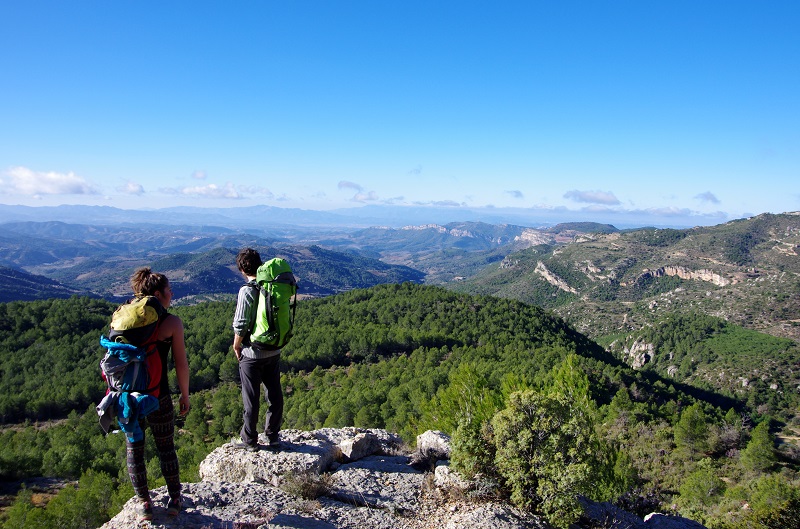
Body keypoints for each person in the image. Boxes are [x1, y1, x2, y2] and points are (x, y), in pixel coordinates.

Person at [126, 267, 190, 521]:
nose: (172, 293)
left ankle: (144, 504)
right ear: (157, 294)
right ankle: (174, 500)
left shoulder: (123, 317)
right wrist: (184, 395)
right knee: (166, 448)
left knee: (134, 449)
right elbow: (181, 364)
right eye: (168, 290)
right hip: (158, 395)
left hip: (127, 397)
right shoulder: (171, 322)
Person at [231, 247, 284, 451]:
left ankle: (250, 440)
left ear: (242, 269)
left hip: (252, 354)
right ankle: (273, 435)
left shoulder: (247, 290)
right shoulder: (271, 288)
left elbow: (241, 323)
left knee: (251, 398)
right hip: (273, 349)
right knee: (274, 394)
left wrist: (237, 344)